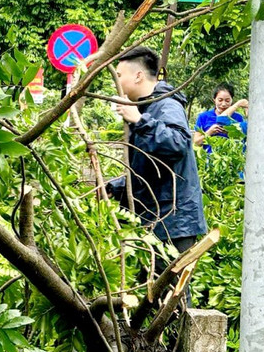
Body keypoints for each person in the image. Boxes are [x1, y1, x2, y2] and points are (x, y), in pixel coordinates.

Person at [104, 46, 207, 254]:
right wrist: (114, 187)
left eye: (120, 75)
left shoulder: (167, 105)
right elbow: (150, 169)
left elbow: (178, 144)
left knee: (170, 286)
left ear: (138, 76)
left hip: (173, 223)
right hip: (154, 218)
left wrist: (140, 121)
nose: (117, 81)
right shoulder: (146, 109)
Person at [194, 85, 248, 149]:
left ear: (232, 100)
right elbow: (196, 142)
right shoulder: (203, 117)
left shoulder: (238, 117)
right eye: (220, 100)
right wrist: (209, 132)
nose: (223, 104)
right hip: (209, 157)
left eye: (227, 101)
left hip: (231, 157)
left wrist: (230, 132)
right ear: (214, 100)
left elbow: (240, 140)